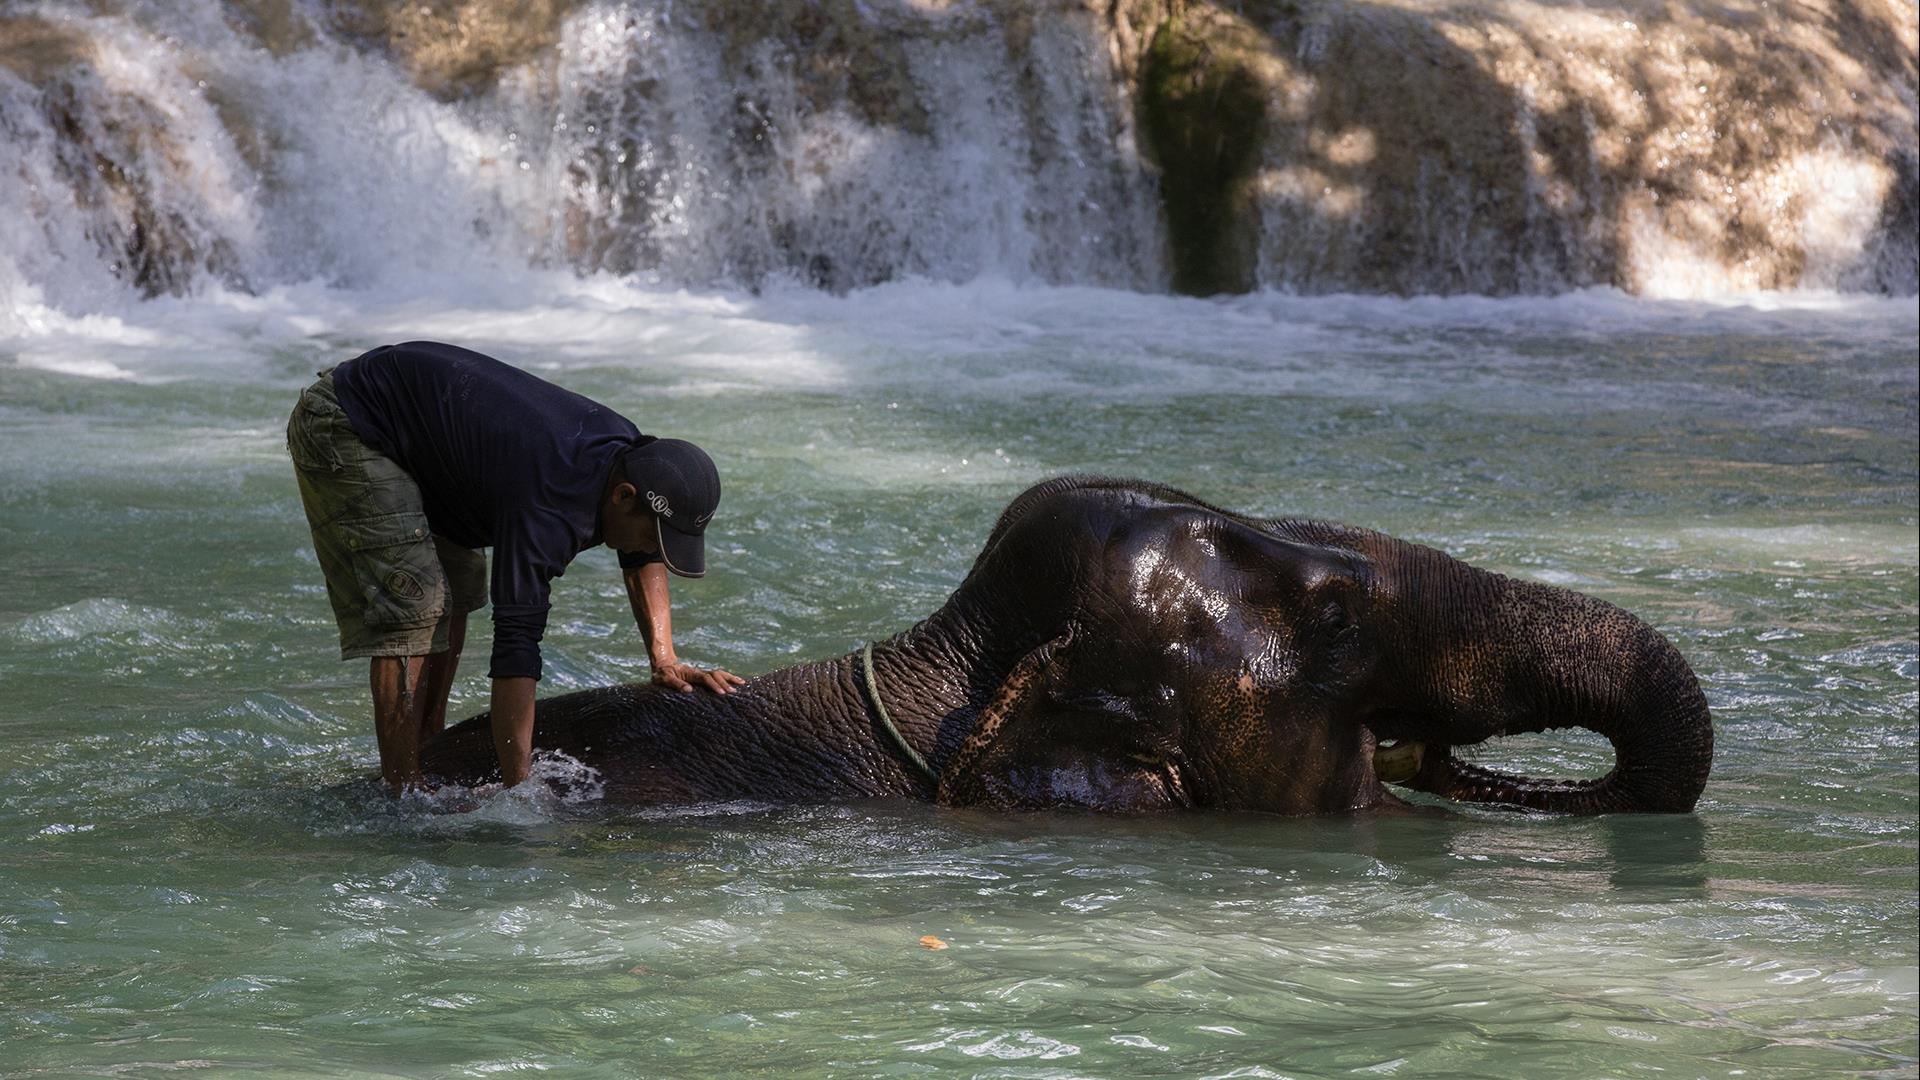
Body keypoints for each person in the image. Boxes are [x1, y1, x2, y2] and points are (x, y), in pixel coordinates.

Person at [285, 340, 744, 795]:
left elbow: (641, 553)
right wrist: (521, 793)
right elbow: (516, 650)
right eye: (654, 536)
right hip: (351, 420)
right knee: (415, 607)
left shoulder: (631, 458)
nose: (653, 550)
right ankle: (402, 792)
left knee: (459, 590)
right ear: (623, 497)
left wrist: (664, 660)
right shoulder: (545, 507)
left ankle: (427, 747)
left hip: (426, 431)